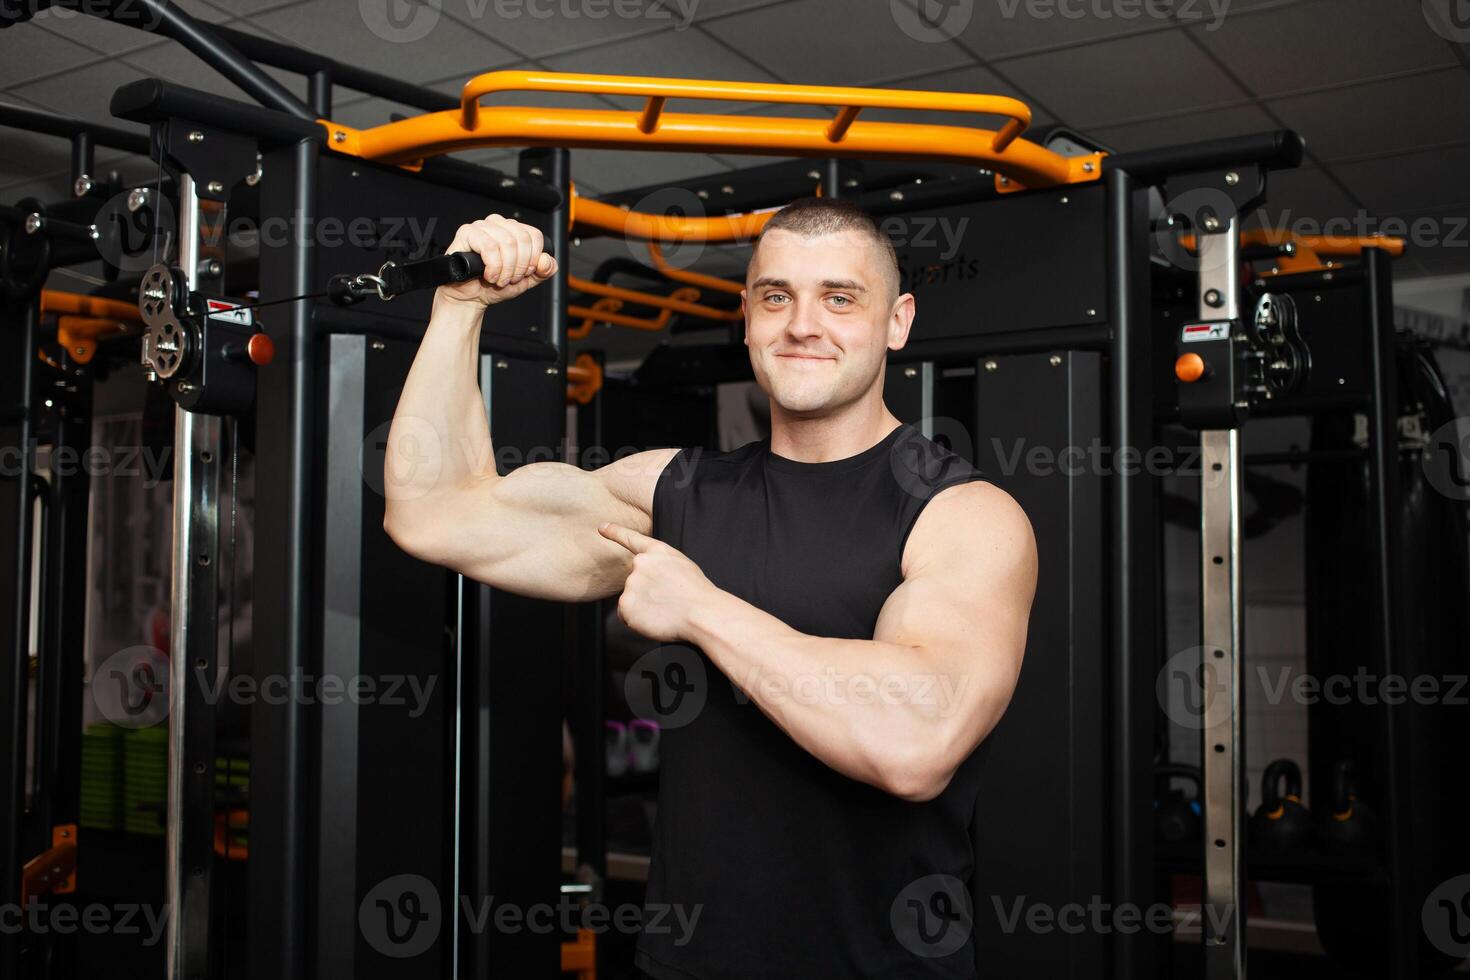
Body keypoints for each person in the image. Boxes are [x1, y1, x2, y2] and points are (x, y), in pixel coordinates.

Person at [384, 197, 1037, 979]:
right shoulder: (674, 491)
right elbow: (434, 513)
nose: (802, 324)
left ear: (896, 321)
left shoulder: (959, 515)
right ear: (747, 316)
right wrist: (457, 310)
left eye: (839, 298)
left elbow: (913, 745)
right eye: (775, 297)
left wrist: (699, 608)